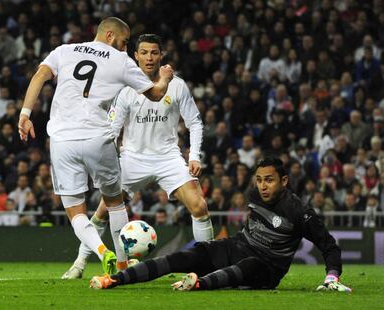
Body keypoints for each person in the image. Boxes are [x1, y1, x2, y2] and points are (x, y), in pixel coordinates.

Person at [18, 17, 174, 276]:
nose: (125, 49)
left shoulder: (64, 51)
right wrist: (166, 77)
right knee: (114, 203)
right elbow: (156, 94)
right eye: (124, 43)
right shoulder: (121, 60)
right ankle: (123, 265)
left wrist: (25, 113)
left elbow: (39, 76)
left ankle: (102, 251)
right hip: (97, 139)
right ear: (111, 36)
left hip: (62, 140)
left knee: (75, 210)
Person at [62, 34, 213, 279]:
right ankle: (79, 263)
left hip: (167, 158)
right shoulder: (125, 88)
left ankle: (208, 266)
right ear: (136, 56)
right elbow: (112, 130)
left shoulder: (176, 85)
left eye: (154, 52)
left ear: (161, 54)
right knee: (102, 210)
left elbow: (194, 122)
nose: (149, 58)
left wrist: (194, 156)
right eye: (144, 53)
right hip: (132, 159)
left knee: (199, 205)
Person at [89, 156, 352, 293]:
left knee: (245, 267)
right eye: (259, 179)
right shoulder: (253, 195)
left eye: (269, 180)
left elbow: (329, 246)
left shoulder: (299, 212)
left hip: (267, 267)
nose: (262, 186)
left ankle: (200, 283)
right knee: (191, 254)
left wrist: (332, 277)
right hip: (239, 245)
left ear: (284, 181)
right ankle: (115, 279)